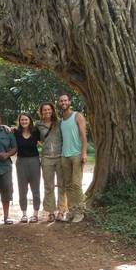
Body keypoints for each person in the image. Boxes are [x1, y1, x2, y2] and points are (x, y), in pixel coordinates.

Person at [58, 94, 88, 223]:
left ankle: (80, 212)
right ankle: (71, 211)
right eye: (61, 101)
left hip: (76, 155)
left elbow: (83, 135)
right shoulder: (62, 120)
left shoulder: (77, 116)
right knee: (68, 185)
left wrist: (84, 152)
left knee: (76, 184)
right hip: (65, 156)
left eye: (65, 100)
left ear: (69, 102)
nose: (63, 102)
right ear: (59, 103)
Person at [36, 102, 67, 222]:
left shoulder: (59, 122)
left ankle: (61, 211)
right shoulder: (38, 125)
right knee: (48, 186)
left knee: (61, 185)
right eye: (45, 110)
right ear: (41, 112)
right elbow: (27, 132)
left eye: (49, 110)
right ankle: (50, 212)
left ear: (52, 110)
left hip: (60, 157)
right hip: (46, 158)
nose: (47, 112)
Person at [14, 113, 41, 223]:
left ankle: (35, 214)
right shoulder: (16, 132)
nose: (24, 122)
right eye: (22, 120)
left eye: (26, 120)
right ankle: (24, 214)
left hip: (34, 161)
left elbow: (44, 142)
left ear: (30, 120)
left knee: (36, 189)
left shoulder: (35, 132)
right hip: (21, 162)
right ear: (19, 121)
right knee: (22, 189)